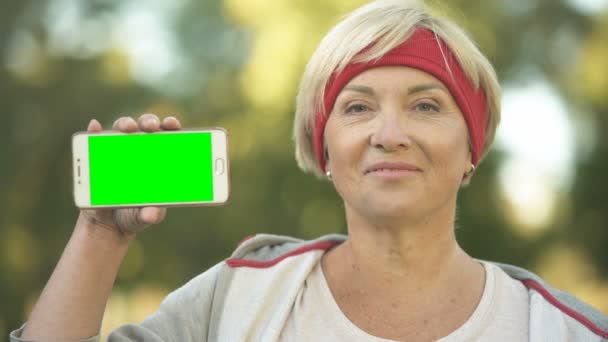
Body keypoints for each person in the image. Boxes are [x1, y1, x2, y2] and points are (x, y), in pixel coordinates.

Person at [11, 0, 608, 341]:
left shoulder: (564, 330)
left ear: (473, 147)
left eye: (426, 104)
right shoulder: (237, 294)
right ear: (324, 149)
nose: (390, 134)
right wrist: (100, 234)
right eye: (357, 107)